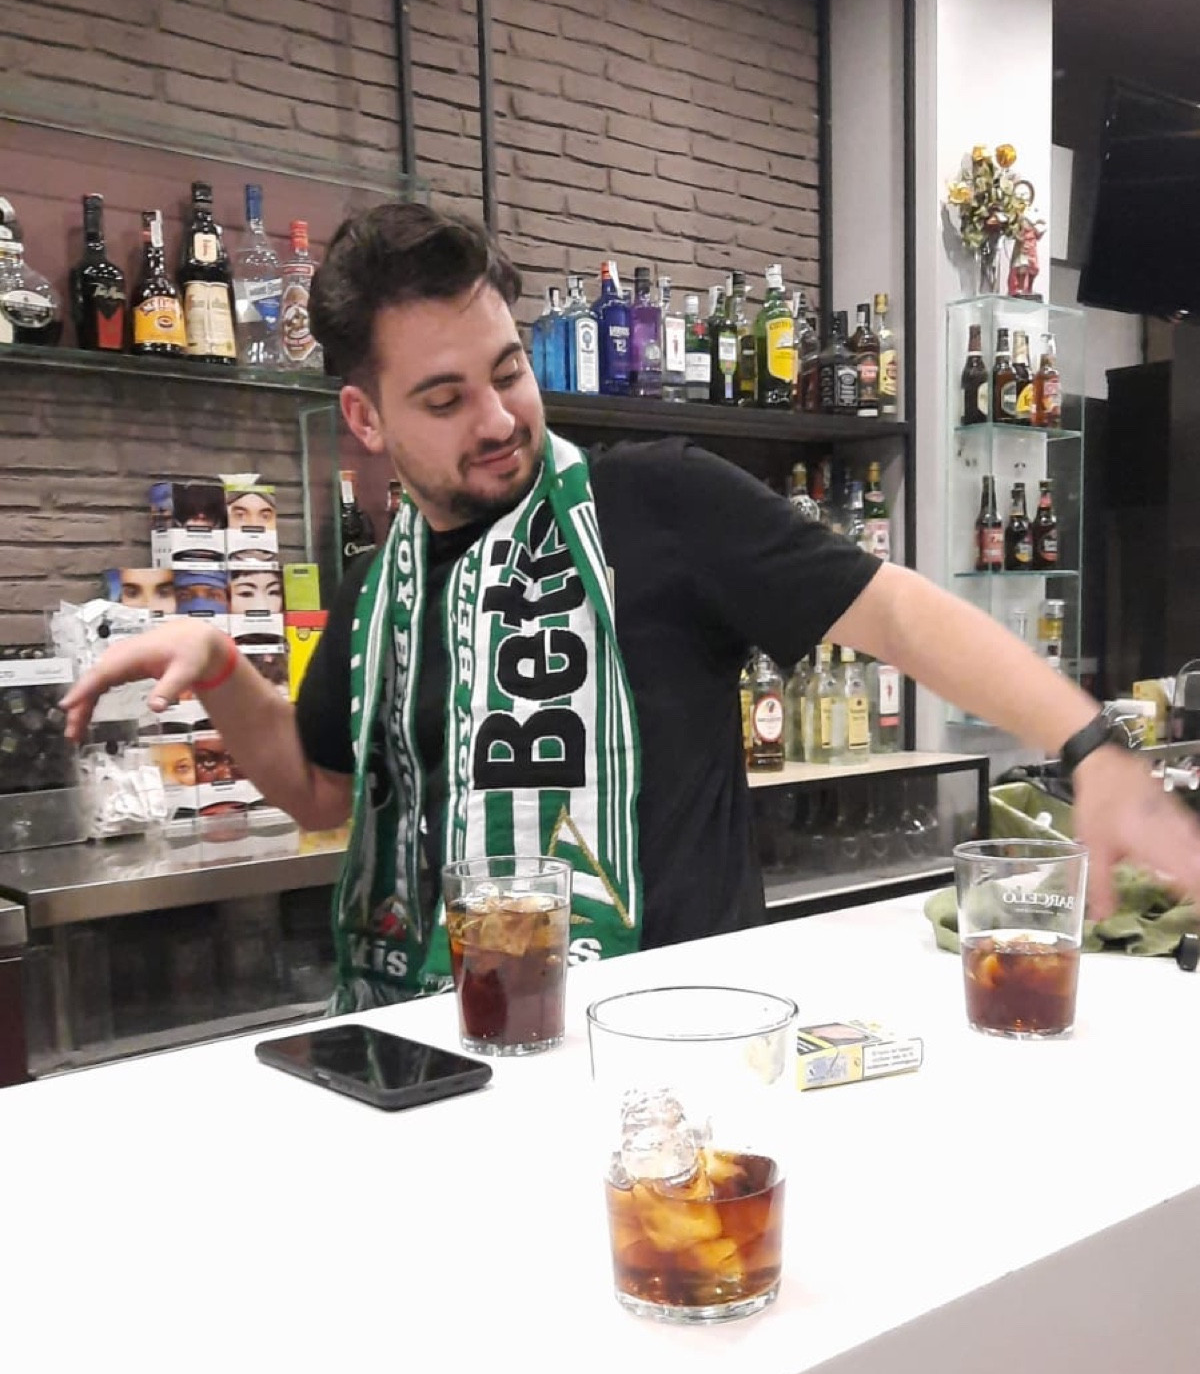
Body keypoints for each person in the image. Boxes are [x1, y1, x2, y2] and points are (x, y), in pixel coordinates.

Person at [62, 204, 1200, 1012]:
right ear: (366, 419)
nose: (497, 417)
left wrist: (1091, 746)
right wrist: (225, 670)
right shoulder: (380, 590)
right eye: (445, 398)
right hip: (447, 1047)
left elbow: (896, 615)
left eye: (508, 371)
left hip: (680, 1050)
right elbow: (324, 792)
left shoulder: (655, 501)